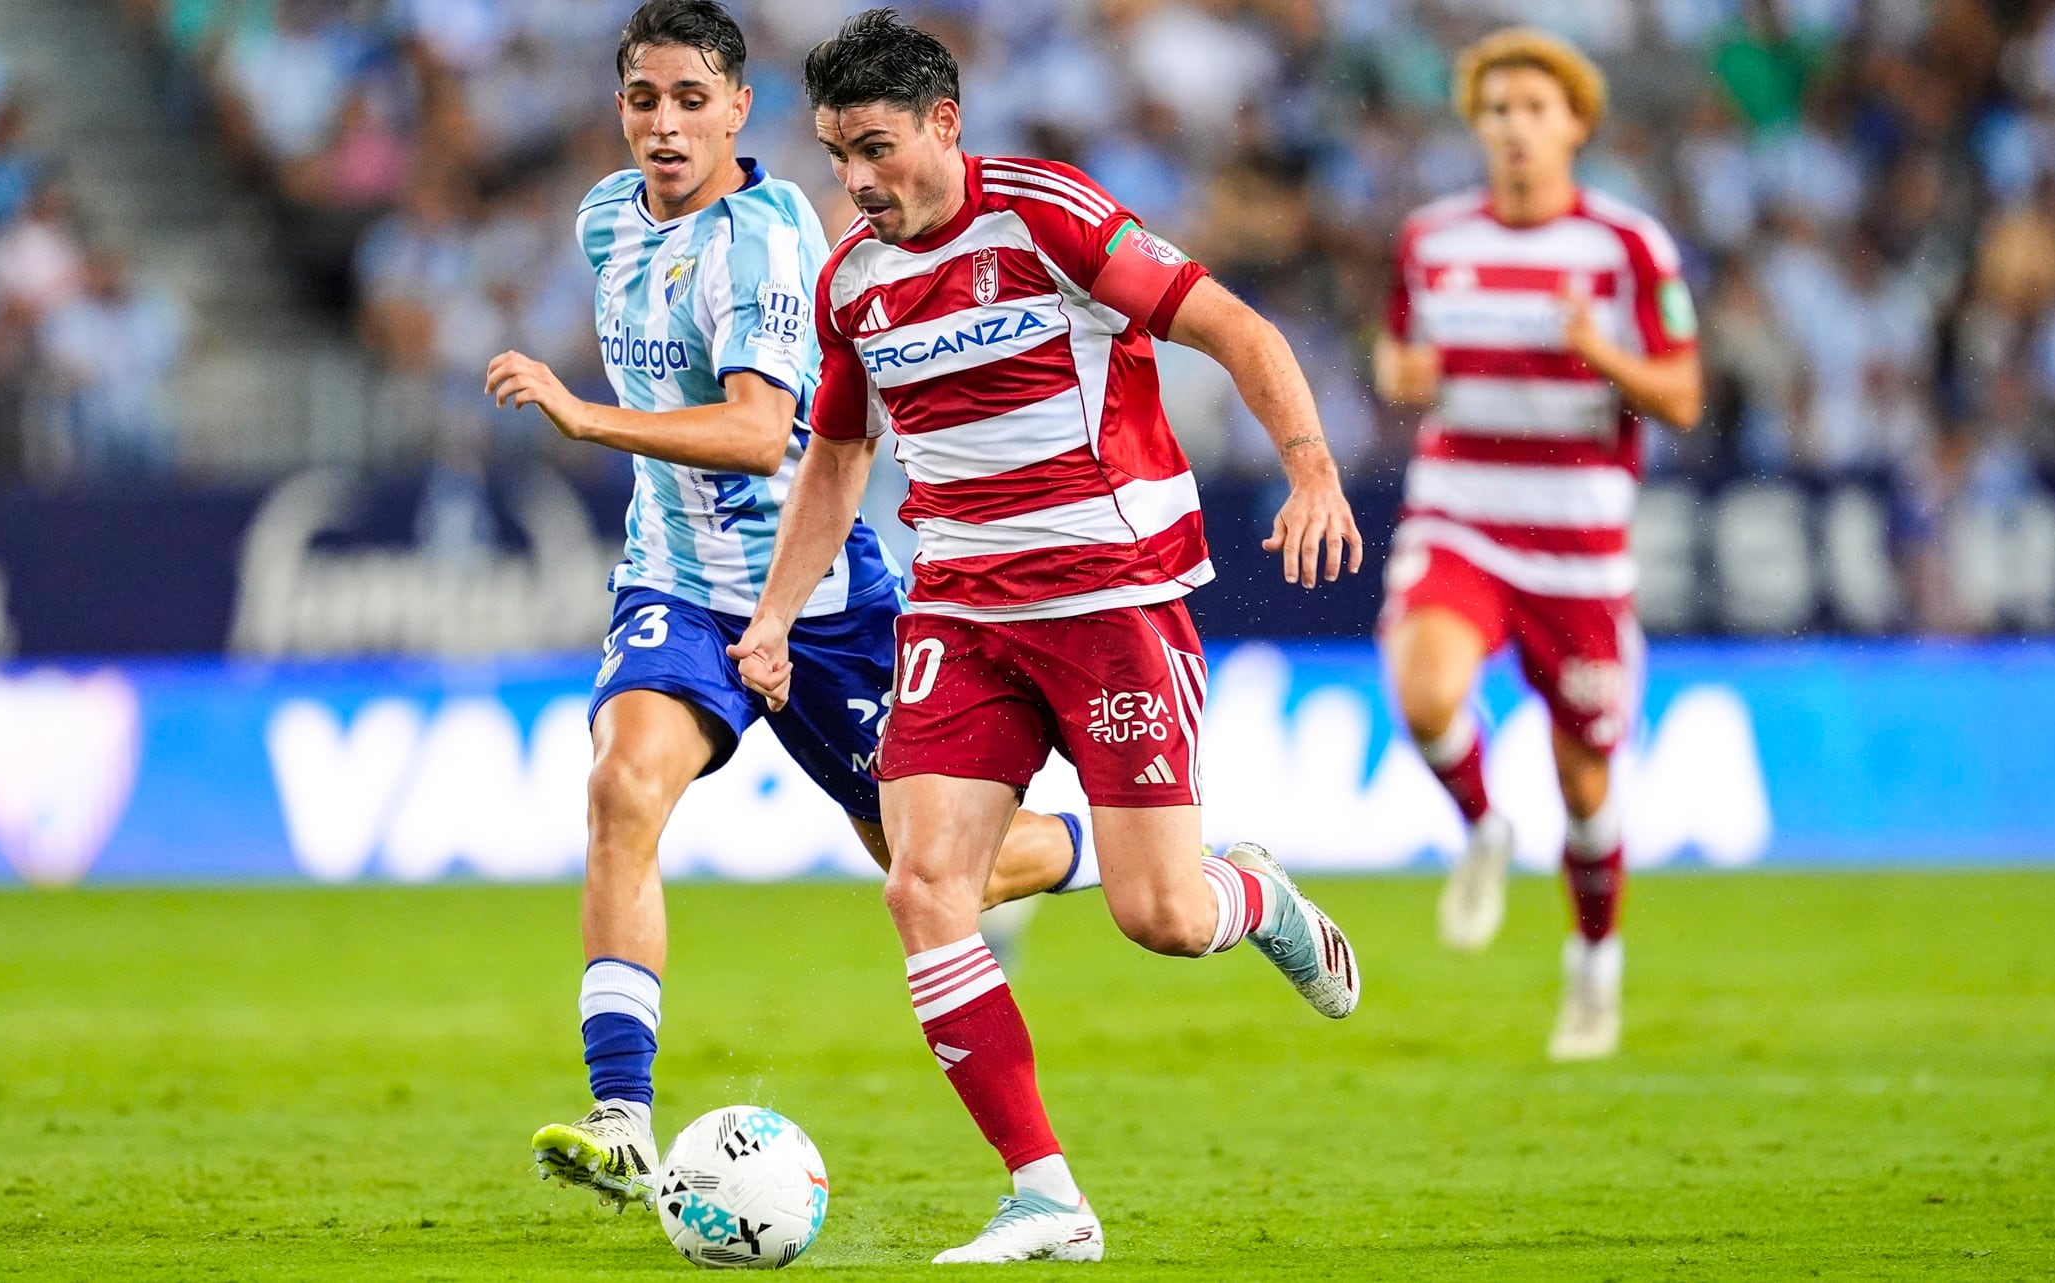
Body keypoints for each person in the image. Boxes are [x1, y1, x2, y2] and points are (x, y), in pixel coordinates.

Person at [729, 10, 1364, 1263]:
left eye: (876, 147)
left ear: (943, 126)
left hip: (1113, 601)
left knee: (1163, 916)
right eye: (836, 153)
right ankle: (1044, 1194)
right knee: (920, 882)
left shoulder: (1048, 216)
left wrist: (1310, 468)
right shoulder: (851, 278)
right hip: (961, 613)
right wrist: (772, 614)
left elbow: (1236, 327)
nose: (857, 180)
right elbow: (839, 458)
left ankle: (1256, 893)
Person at [481, 0, 1094, 1213]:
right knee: (621, 783)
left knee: (932, 879)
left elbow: (766, 436)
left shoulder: (766, 241)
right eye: (643, 100)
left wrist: (582, 416)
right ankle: (622, 1115)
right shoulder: (605, 217)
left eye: (690, 101)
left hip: (815, 595)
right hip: (673, 580)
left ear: (737, 111)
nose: (664, 125)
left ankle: (1118, 853)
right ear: (621, 106)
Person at [1371, 28, 1703, 1061]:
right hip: (1460, 514)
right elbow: (1395, 350)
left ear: (1575, 127)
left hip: (1578, 548)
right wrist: (1399, 377)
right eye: (1496, 109)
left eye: (1533, 109)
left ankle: (1593, 965)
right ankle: (1478, 822)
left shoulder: (1627, 246)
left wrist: (1597, 351)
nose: (1512, 127)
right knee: (1424, 694)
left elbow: (1683, 395)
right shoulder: (1430, 238)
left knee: (1587, 786)